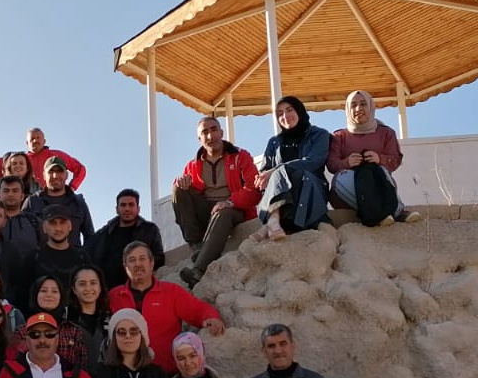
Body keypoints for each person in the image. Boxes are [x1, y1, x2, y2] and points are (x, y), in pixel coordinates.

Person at [108, 242, 224, 377]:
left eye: (142, 259)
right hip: (126, 376)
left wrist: (211, 317)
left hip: (166, 375)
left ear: (151, 263)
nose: (137, 264)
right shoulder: (114, 296)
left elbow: (198, 309)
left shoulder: (171, 292)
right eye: (132, 260)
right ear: (125, 266)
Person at [172, 117, 261, 287]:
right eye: (204, 132)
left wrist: (230, 202)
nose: (210, 135)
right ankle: (197, 246)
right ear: (199, 139)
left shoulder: (240, 156)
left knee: (223, 211)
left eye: (213, 129)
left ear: (221, 132)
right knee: (178, 189)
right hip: (207, 213)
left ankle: (198, 270)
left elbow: (254, 190)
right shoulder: (192, 165)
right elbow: (185, 195)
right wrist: (181, 183)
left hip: (235, 210)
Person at [327, 90, 420, 226]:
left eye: (363, 104)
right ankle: (385, 213)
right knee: (340, 178)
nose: (358, 109)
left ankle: (392, 212)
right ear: (347, 109)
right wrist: (347, 162)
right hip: (350, 188)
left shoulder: (386, 133)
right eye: (353, 105)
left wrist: (379, 159)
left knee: (380, 171)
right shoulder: (339, 136)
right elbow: (331, 164)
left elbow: (395, 159)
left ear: (371, 106)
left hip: (378, 181)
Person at [249, 96, 331, 244]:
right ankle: (274, 220)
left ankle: (272, 221)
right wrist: (262, 178)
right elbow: (266, 171)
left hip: (311, 188)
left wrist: (278, 169)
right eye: (280, 113)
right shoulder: (274, 142)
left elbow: (313, 162)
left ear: (299, 110)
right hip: (282, 192)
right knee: (277, 173)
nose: (285, 116)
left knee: (292, 172)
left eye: (289, 110)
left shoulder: (319, 135)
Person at [16, 206, 91, 313]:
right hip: (40, 321)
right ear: (44, 228)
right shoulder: (33, 257)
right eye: (53, 223)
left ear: (70, 226)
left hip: (74, 322)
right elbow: (22, 294)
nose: (58, 228)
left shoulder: (82, 257)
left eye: (62, 223)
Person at [88, 189, 165, 288]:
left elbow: (159, 258)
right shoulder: (103, 234)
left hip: (137, 288)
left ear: (138, 208)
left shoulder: (149, 230)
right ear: (117, 209)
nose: (127, 209)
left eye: (131, 205)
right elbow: (89, 257)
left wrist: (138, 265)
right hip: (106, 291)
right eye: (123, 205)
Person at [11, 275, 89, 371]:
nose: (49, 295)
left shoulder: (74, 331)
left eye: (55, 291)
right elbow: (14, 366)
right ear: (35, 295)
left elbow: (82, 368)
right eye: (43, 291)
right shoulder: (22, 331)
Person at [22, 157, 95, 247]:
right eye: (51, 172)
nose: (55, 176)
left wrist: (84, 257)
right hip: (41, 260)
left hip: (73, 260)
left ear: (67, 175)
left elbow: (90, 237)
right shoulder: (32, 202)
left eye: (59, 171)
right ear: (44, 175)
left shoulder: (78, 202)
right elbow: (21, 233)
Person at [65, 264, 111, 373]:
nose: (88, 288)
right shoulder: (65, 319)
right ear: (74, 289)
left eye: (93, 283)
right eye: (82, 284)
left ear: (100, 287)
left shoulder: (110, 319)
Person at [0, 175, 43, 251]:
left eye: (15, 191)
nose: (10, 194)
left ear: (22, 196)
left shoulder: (34, 222)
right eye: (6, 191)